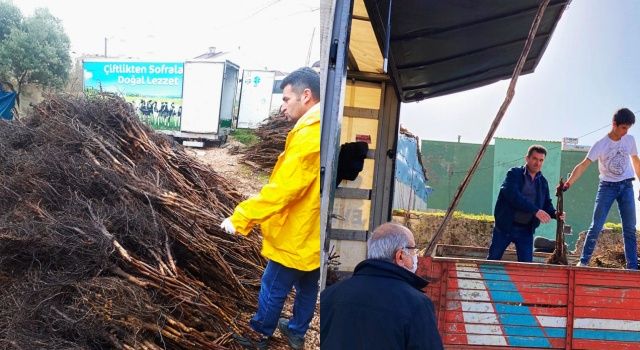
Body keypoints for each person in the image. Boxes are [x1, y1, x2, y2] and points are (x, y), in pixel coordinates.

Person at [219, 67, 320, 349]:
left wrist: (241, 217)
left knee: (273, 285)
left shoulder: (310, 135)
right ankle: (297, 331)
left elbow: (283, 190)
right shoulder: (322, 128)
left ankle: (259, 335)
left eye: (287, 99)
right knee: (308, 285)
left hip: (296, 231)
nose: (283, 105)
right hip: (313, 231)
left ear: (307, 96)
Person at [320, 222, 443, 350]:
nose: (416, 256)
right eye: (414, 250)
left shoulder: (329, 295)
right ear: (400, 256)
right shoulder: (417, 305)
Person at [563, 108, 640, 269]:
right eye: (623, 128)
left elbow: (636, 162)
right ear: (614, 124)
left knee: (629, 228)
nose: (626, 132)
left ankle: (632, 267)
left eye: (628, 128)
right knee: (596, 225)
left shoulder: (630, 140)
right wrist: (568, 183)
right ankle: (583, 262)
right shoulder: (601, 144)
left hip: (626, 185)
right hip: (607, 187)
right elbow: (583, 165)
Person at [488, 145, 562, 262]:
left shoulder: (543, 182)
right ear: (527, 158)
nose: (537, 163)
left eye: (541, 160)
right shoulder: (514, 174)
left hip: (526, 230)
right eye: (534, 159)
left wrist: (555, 214)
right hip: (505, 226)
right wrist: (535, 210)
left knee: (527, 266)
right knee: (492, 260)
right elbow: (513, 195)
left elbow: (546, 203)